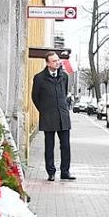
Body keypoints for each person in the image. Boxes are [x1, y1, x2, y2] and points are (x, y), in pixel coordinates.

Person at [32, 52, 75, 181]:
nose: (57, 63)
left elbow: (65, 92)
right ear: (47, 63)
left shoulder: (64, 76)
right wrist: (44, 110)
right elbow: (35, 97)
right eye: (54, 61)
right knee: (49, 146)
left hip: (62, 115)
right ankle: (51, 172)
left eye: (58, 60)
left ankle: (65, 172)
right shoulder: (39, 78)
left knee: (65, 145)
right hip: (48, 116)